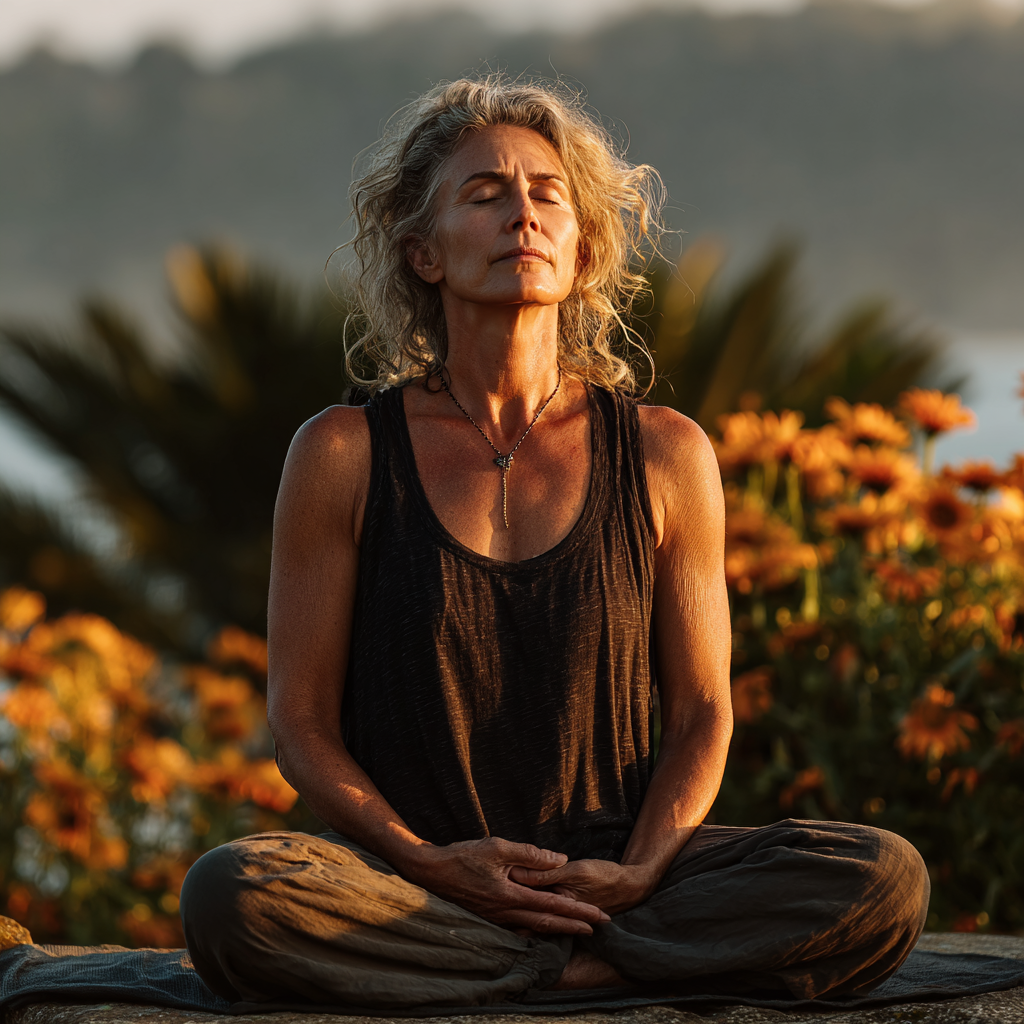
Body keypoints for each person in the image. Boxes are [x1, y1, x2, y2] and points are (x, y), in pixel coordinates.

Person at [179, 77, 929, 1009]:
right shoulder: (343, 453)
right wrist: (430, 863)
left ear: (582, 249)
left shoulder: (665, 453)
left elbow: (702, 714)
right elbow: (301, 725)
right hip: (414, 884)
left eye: (547, 196)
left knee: (882, 877)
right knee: (231, 896)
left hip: (614, 879)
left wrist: (641, 871)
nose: (523, 216)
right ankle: (594, 972)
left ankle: (531, 967)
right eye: (484, 195)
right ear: (422, 252)